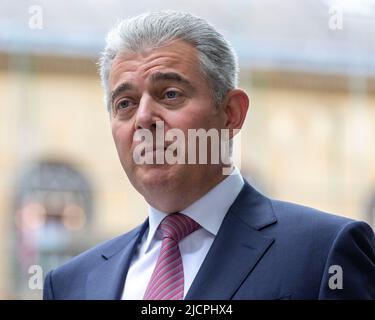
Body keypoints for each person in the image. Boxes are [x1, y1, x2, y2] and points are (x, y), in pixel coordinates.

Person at [43, 11, 375, 300]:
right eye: (125, 103)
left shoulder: (324, 253)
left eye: (170, 94)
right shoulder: (69, 284)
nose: (143, 118)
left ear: (230, 113)